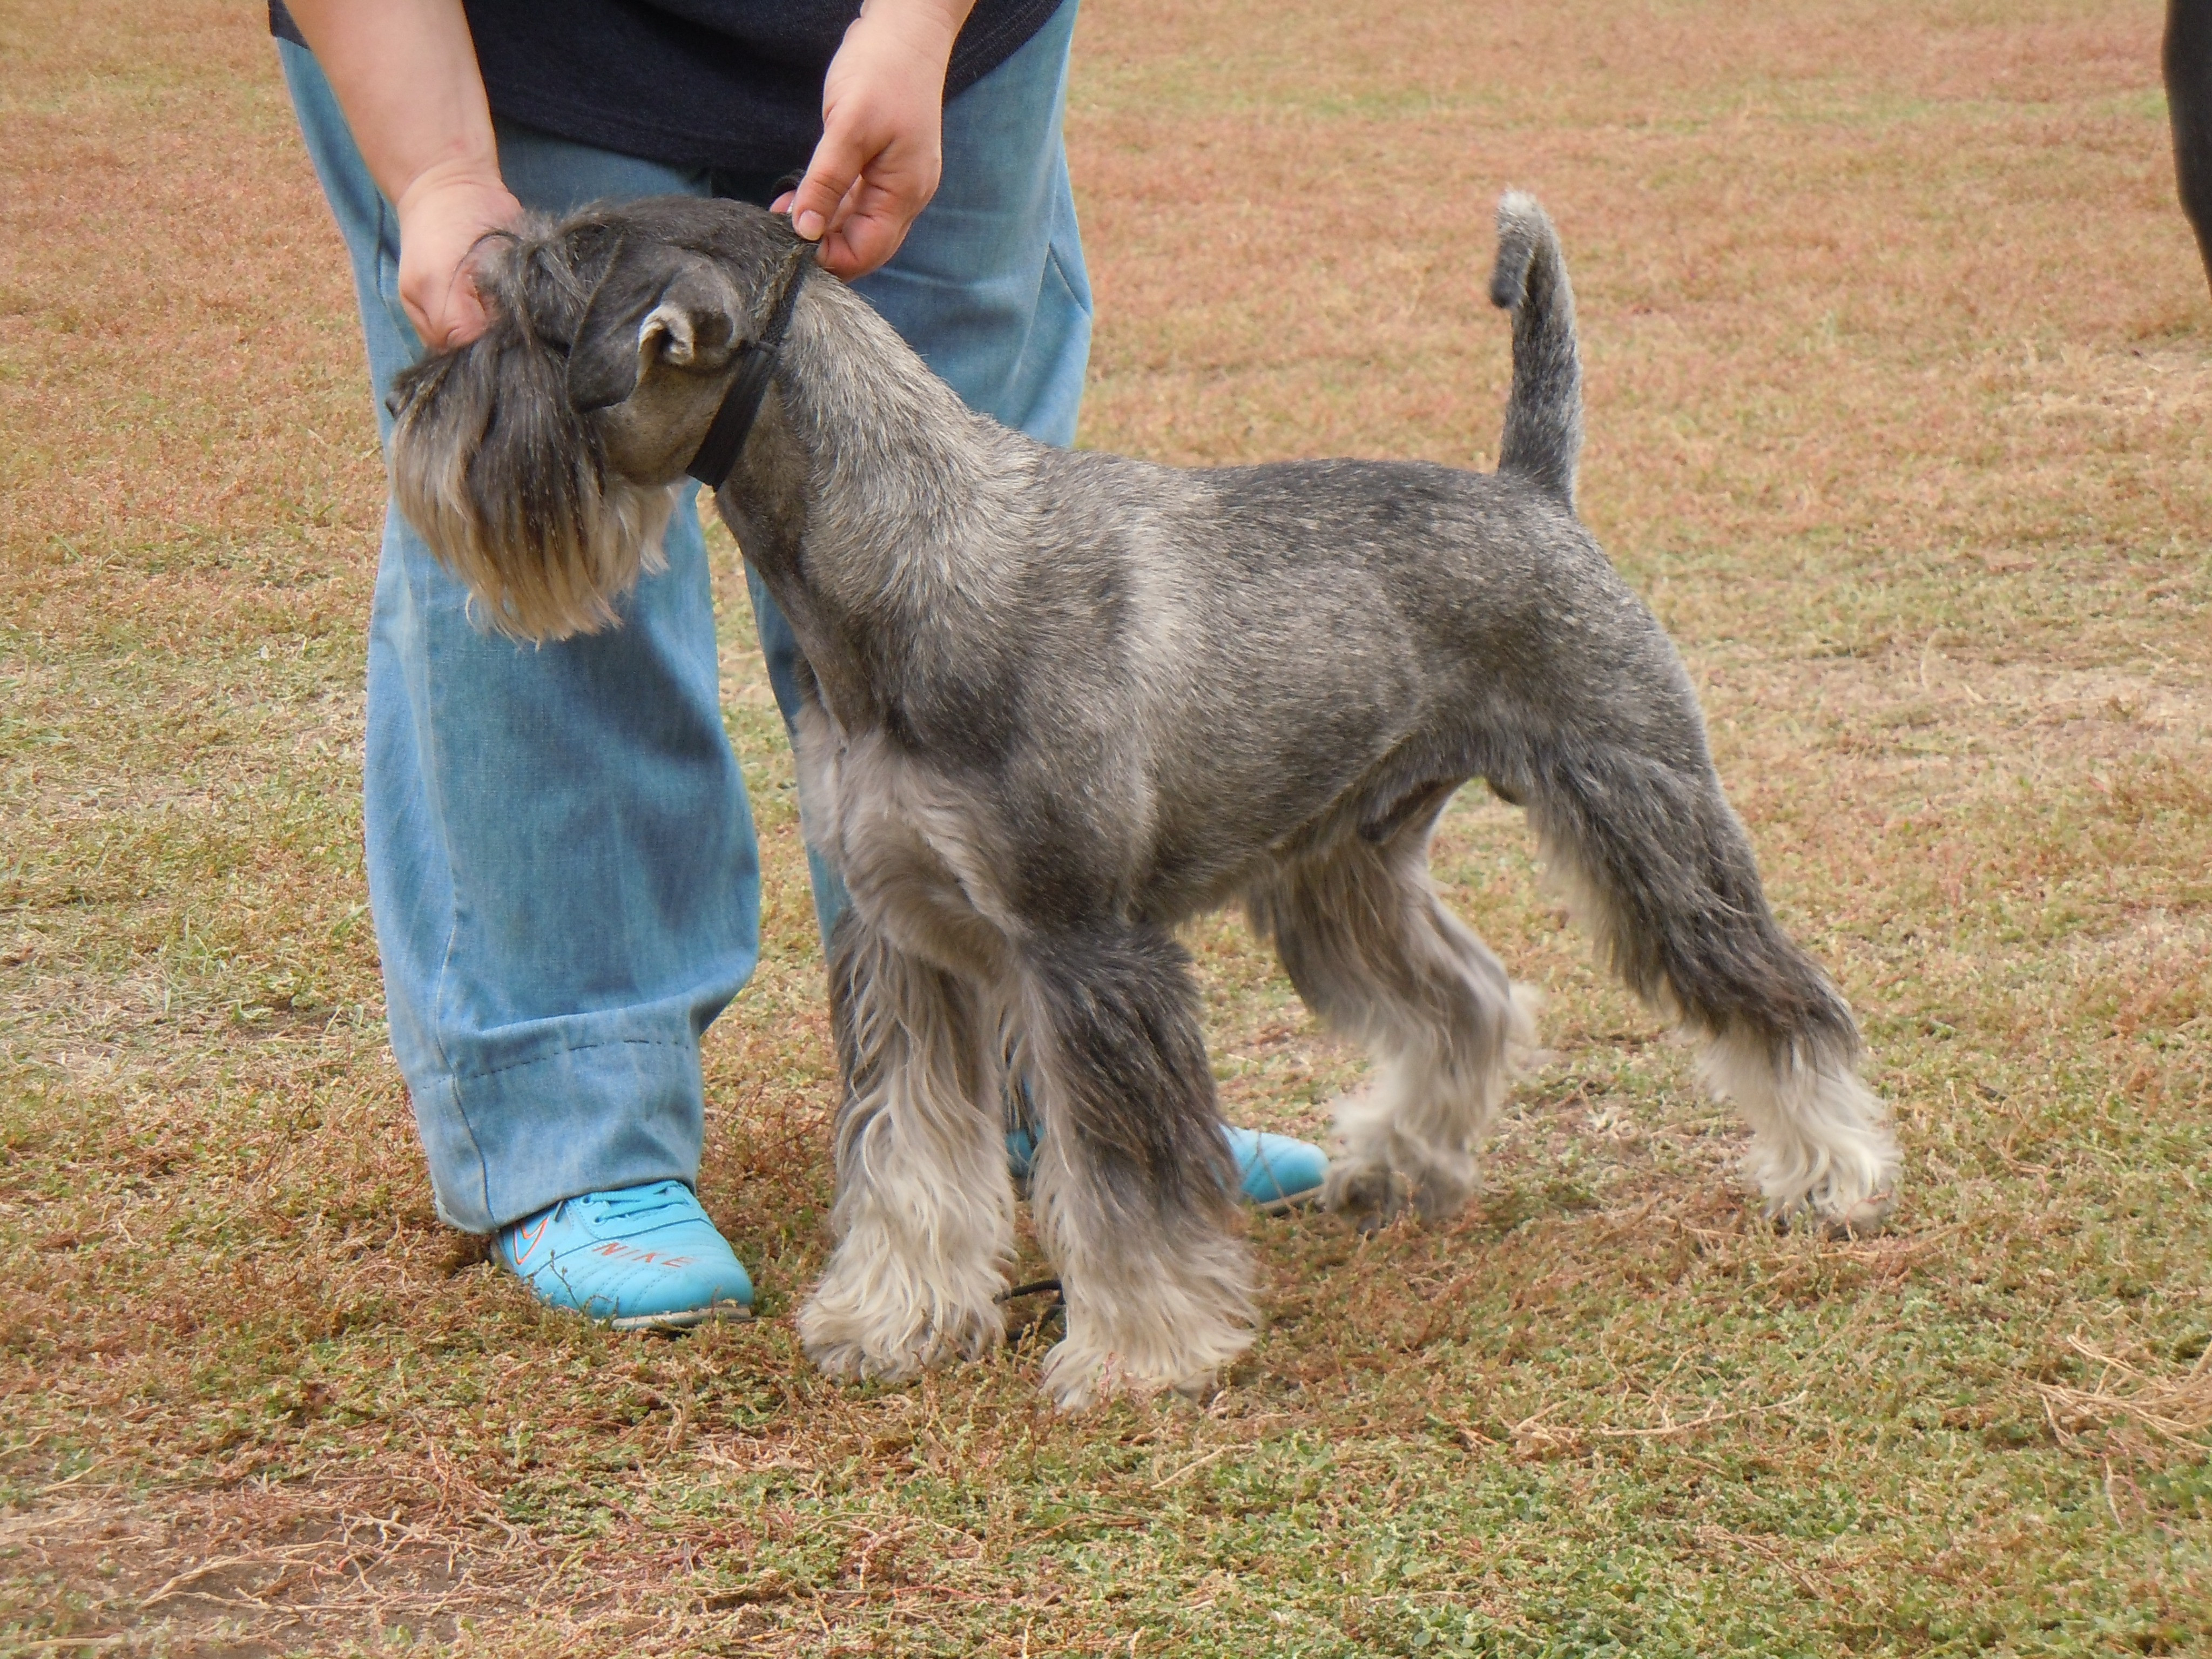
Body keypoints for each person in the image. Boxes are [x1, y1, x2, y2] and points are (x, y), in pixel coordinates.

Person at [274, 0, 1328, 1332]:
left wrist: (918, 26)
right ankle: (580, 1122)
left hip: (933, 34)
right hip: (525, 45)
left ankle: (1061, 1088)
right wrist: (437, 172)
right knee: (552, 585)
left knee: (979, 564)